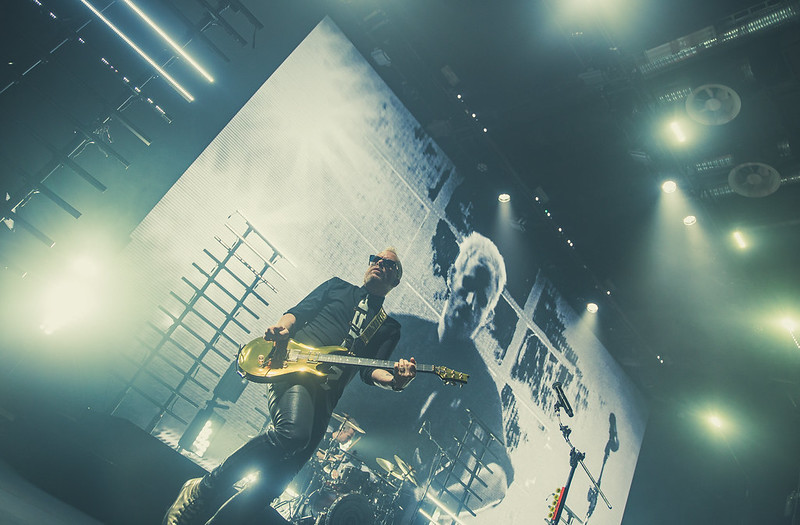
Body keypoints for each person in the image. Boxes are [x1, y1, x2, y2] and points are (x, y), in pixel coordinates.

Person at [163, 248, 416, 525]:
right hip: (294, 369)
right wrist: (282, 328)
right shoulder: (337, 287)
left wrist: (396, 381)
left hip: (325, 399)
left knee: (273, 485)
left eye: (388, 263)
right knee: (293, 435)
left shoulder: (389, 327)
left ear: (396, 280)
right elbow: (297, 313)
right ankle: (202, 489)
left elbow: (370, 370)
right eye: (375, 259)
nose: (378, 263)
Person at [337, 231, 513, 520]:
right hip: (346, 473)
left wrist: (431, 505)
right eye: (468, 285)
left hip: (398, 513)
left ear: (489, 314)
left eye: (482, 300)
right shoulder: (399, 328)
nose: (469, 301)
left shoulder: (483, 389)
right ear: (452, 277)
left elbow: (498, 479)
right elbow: (346, 383)